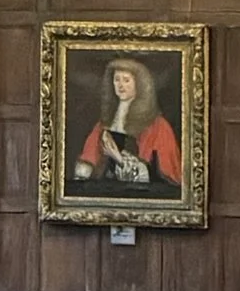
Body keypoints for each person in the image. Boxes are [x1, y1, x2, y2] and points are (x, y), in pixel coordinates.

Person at [72, 55, 182, 195]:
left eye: (126, 80)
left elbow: (164, 178)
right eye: (117, 79)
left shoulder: (158, 127)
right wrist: (84, 172)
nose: (120, 85)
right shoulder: (104, 124)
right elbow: (89, 158)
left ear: (139, 84)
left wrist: (119, 158)